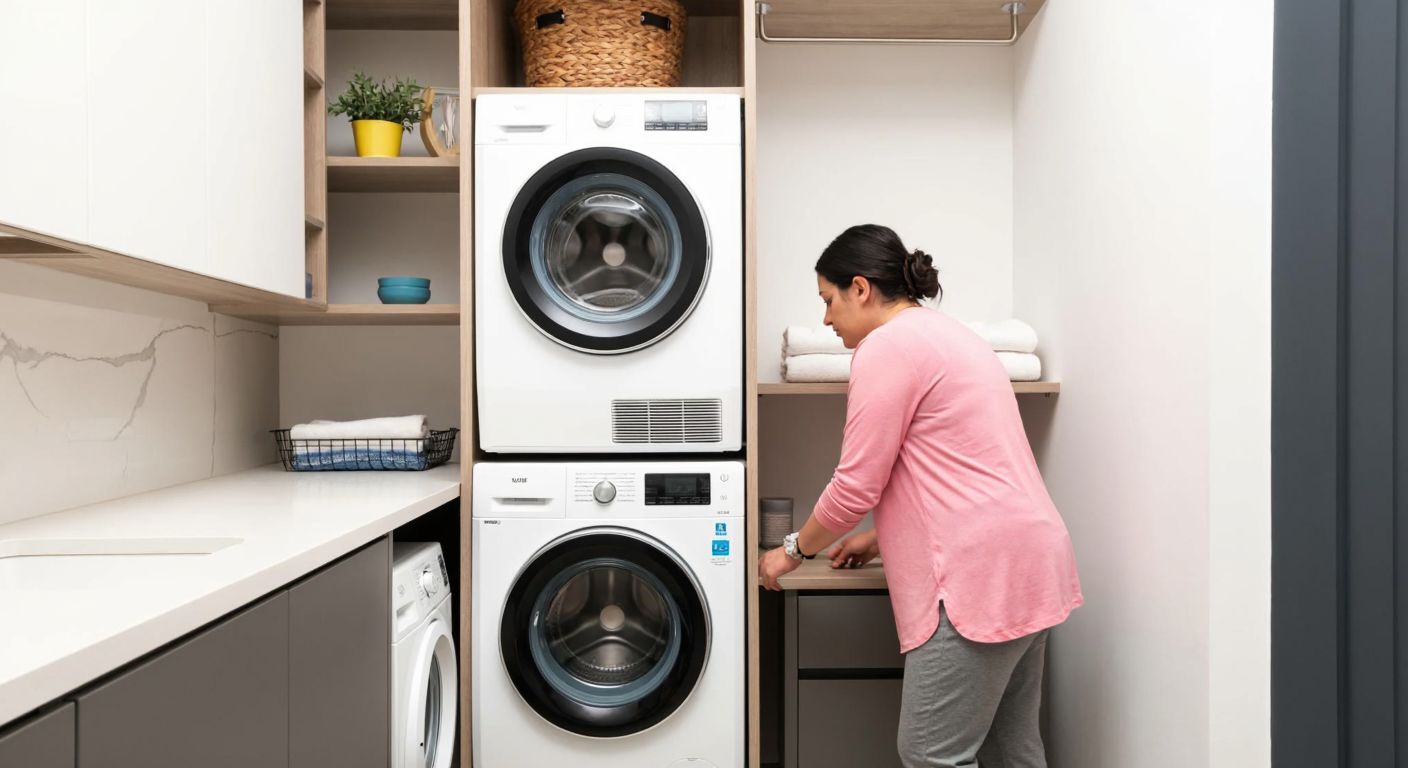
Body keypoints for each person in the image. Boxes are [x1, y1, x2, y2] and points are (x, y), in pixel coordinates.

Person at [759, 224, 1083, 768]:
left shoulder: (887, 347)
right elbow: (958, 467)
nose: (826, 319)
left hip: (976, 576)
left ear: (860, 288)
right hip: (1029, 560)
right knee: (1012, 749)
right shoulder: (951, 336)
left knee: (931, 753)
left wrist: (792, 550)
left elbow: (855, 484)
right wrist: (879, 536)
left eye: (828, 299)